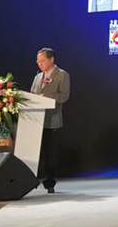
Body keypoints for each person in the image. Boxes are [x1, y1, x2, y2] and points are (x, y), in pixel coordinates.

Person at [30, 48, 70, 193]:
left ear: (51, 60)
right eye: (38, 61)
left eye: (43, 61)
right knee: (35, 152)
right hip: (36, 120)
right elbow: (32, 95)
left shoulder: (62, 75)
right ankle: (32, 181)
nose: (40, 64)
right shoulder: (37, 77)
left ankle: (50, 182)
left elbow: (64, 96)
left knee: (50, 154)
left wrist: (46, 99)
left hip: (52, 120)